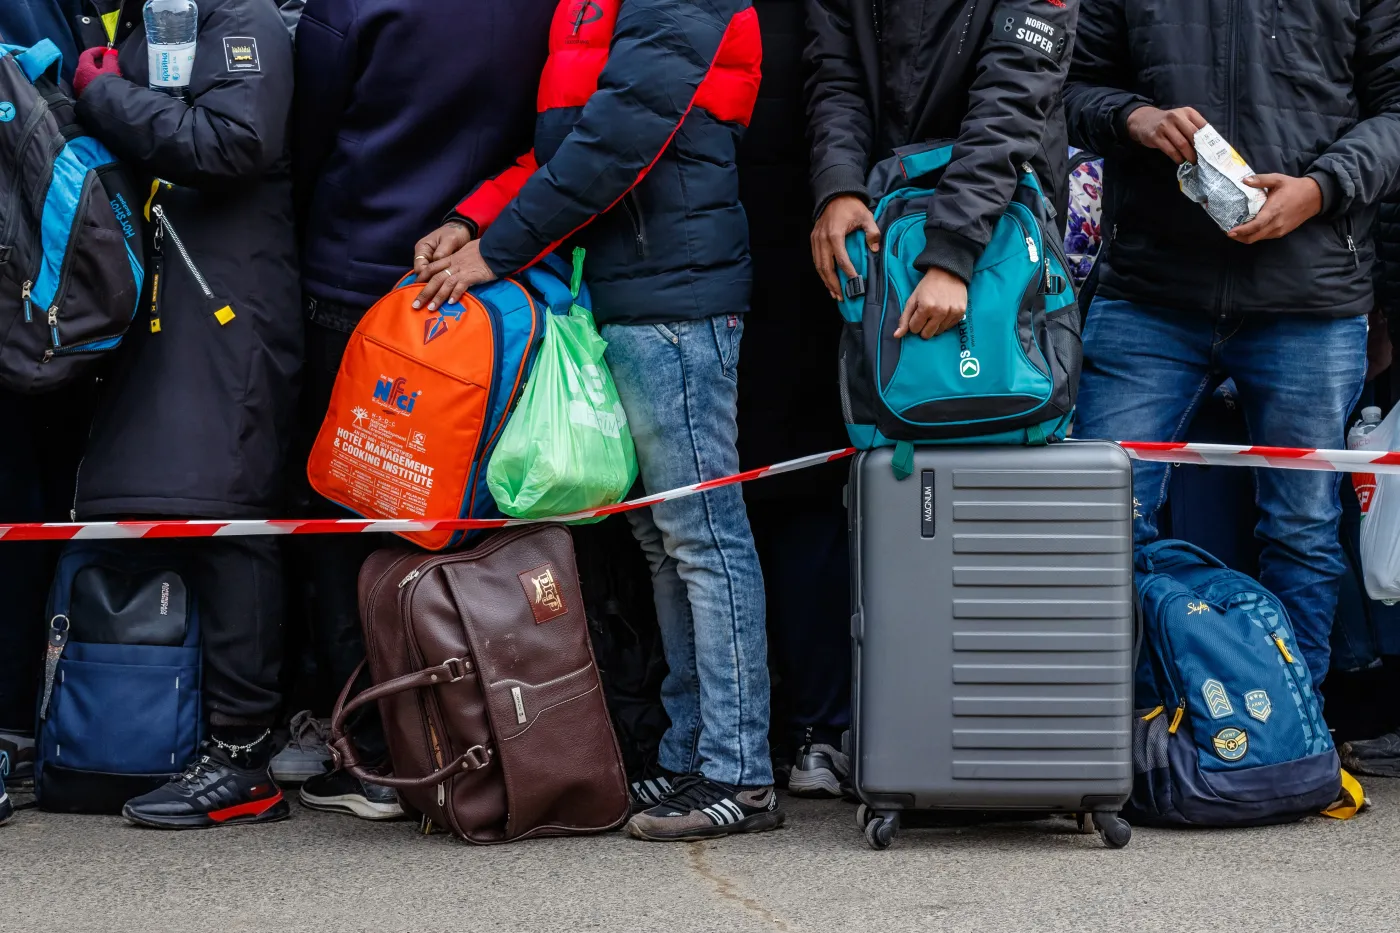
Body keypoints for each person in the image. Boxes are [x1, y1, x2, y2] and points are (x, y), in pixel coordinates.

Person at [413, 0, 774, 843]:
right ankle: (694, 755)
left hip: (675, 299)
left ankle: (740, 772)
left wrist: (495, 250)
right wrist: (472, 216)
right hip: (628, 293)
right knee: (664, 539)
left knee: (702, 536)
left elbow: (617, 142)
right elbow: (564, 152)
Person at [1063, 0, 1400, 691]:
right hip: (1151, 288)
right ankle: (1130, 731)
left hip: (1310, 293)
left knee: (1303, 531)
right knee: (1101, 521)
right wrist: (1134, 118)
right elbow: (1069, 86)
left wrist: (1319, 190)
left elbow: (1394, 112)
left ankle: (1288, 735)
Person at [287, 0, 555, 820]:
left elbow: (305, 134)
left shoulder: (353, 7)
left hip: (358, 277)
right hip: (488, 287)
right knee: (466, 511)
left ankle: (362, 746)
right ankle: (470, 725)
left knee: (349, 509)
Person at [69, 0, 301, 829]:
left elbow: (234, 142)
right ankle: (144, 733)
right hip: (167, 302)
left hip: (234, 304)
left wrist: (102, 93)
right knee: (165, 506)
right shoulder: (147, 19)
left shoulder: (246, 21)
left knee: (226, 510)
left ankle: (243, 757)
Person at [804, 0, 1078, 345]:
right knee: (879, 383)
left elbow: (1010, 103)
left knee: (996, 384)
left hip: (996, 219)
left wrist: (952, 252)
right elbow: (837, 73)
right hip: (878, 218)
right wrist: (840, 184)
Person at [739, 0, 852, 798]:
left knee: (799, 494)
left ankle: (810, 724)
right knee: (747, 501)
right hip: (739, 254)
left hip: (807, 253)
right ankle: (801, 725)